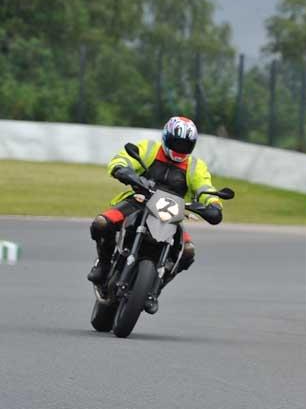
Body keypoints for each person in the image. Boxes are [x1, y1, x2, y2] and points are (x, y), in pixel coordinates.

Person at [86, 116, 223, 313]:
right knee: (102, 223)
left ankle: (155, 289)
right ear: (166, 137)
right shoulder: (149, 149)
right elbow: (122, 158)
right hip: (139, 201)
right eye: (176, 142)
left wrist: (213, 204)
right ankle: (104, 265)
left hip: (171, 214)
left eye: (185, 144)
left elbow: (205, 188)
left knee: (187, 252)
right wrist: (124, 170)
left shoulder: (195, 166)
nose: (179, 148)